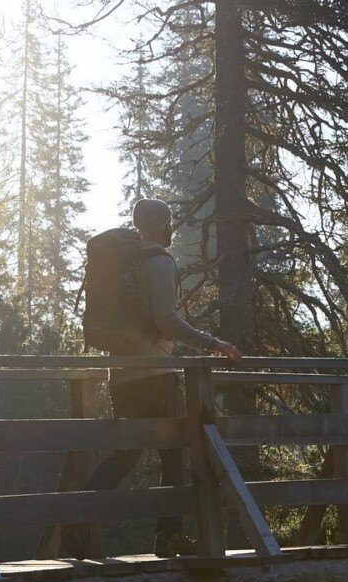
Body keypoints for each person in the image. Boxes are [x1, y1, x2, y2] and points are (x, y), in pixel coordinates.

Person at [83, 198, 241, 558]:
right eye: (169, 223)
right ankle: (168, 537)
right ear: (160, 226)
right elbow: (165, 320)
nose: (172, 229)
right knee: (173, 455)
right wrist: (212, 343)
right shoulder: (158, 263)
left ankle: (75, 519)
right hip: (156, 370)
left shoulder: (126, 262)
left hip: (122, 373)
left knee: (125, 456)